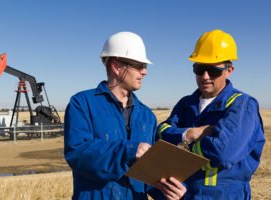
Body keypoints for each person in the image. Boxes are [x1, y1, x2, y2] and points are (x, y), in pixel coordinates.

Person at [64, 31, 186, 200]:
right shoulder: (82, 104)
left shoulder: (146, 116)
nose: (144, 72)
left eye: (146, 66)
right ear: (116, 66)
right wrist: (129, 151)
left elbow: (148, 176)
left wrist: (168, 191)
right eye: (139, 65)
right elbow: (78, 154)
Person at [156, 29, 265, 199]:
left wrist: (179, 145)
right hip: (185, 194)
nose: (205, 76)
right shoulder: (186, 103)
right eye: (199, 68)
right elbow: (159, 134)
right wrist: (188, 134)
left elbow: (222, 152)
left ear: (229, 70)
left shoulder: (242, 105)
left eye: (213, 70)